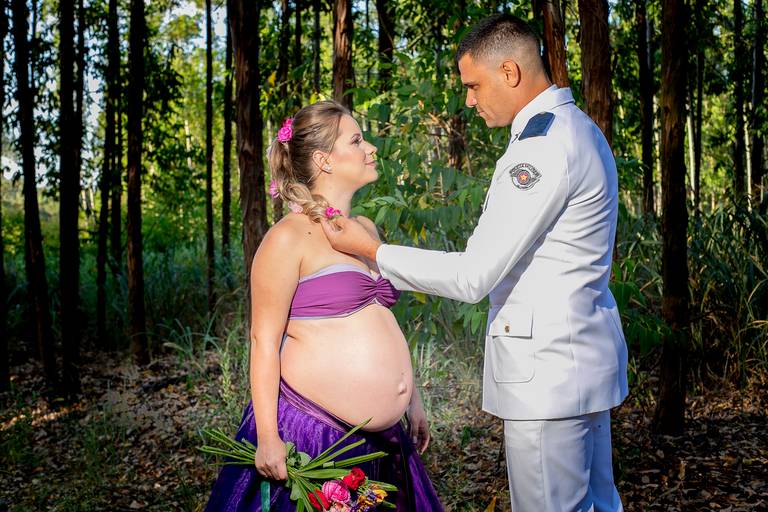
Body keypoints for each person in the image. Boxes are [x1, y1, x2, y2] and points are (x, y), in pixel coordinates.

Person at [322, 14, 628, 512]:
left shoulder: (541, 150)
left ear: (510, 71)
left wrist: (374, 252)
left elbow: (472, 276)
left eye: (473, 85)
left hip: (548, 377)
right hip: (578, 364)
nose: (468, 100)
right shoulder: (577, 128)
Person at [204, 101, 443, 511]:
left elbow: (380, 318)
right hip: (317, 436)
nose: (371, 148)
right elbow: (264, 341)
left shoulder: (365, 229)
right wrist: (267, 436)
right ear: (323, 160)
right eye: (357, 140)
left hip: (384, 442)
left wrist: (412, 399)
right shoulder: (287, 237)